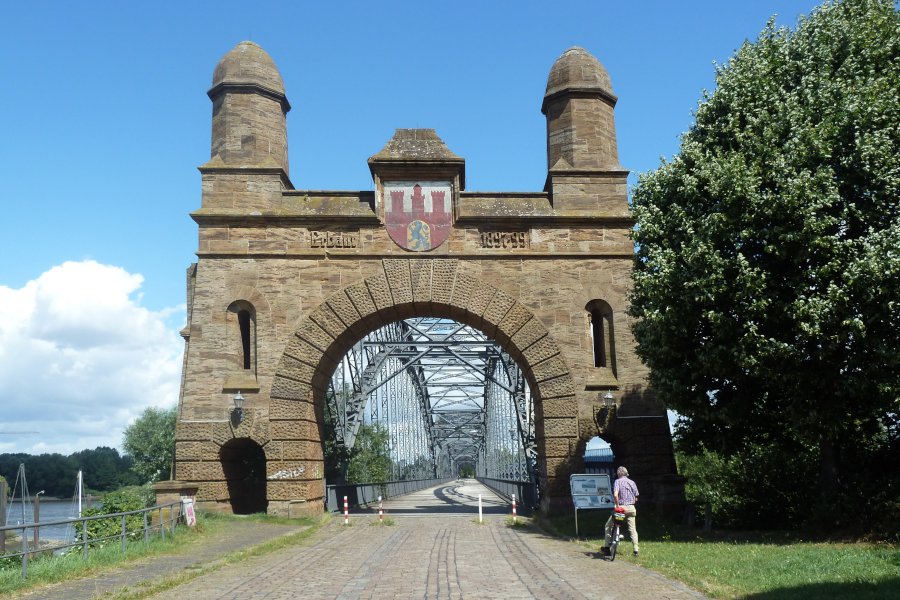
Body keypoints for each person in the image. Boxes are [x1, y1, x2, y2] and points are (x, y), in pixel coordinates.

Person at [601, 466, 639, 557]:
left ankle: (607, 548)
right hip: (631, 508)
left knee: (608, 525)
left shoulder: (617, 481)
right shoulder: (632, 482)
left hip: (621, 509)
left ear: (618, 474)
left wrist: (617, 505)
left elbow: (615, 495)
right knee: (632, 529)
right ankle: (636, 550)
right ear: (626, 473)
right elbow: (636, 497)